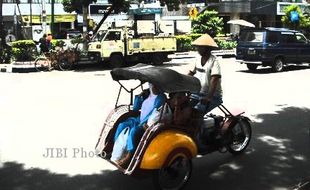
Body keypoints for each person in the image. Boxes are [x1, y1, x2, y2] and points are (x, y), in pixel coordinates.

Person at [112, 83, 166, 166]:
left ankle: (129, 156)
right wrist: (139, 97)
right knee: (121, 125)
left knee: (134, 131)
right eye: (151, 84)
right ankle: (116, 150)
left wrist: (142, 123)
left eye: (155, 85)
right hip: (138, 119)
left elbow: (153, 114)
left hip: (147, 122)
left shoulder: (161, 97)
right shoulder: (147, 94)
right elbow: (136, 108)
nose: (153, 86)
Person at [189, 34, 223, 115]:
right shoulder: (197, 58)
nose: (197, 49)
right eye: (197, 47)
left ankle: (201, 127)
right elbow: (190, 74)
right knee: (185, 109)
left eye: (200, 47)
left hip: (213, 95)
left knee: (196, 114)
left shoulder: (214, 61)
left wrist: (209, 97)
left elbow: (214, 80)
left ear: (207, 48)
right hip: (197, 93)